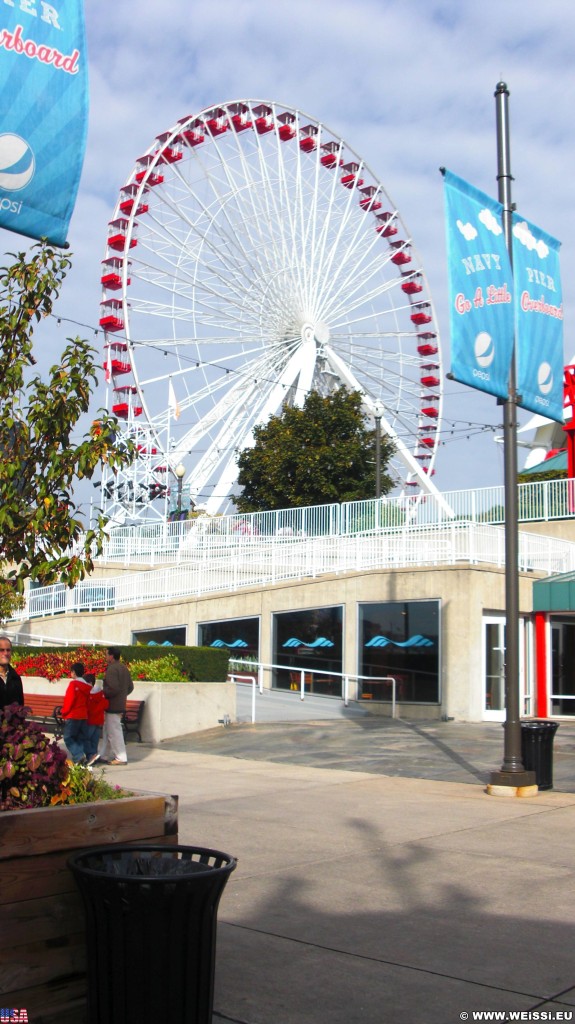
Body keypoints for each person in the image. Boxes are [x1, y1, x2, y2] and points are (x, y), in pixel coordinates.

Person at [99, 646, 133, 765]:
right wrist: (122, 696)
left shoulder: (112, 669)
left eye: (107, 654)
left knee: (114, 732)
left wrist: (104, 693)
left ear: (112, 656)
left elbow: (113, 688)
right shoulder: (124, 668)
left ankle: (121, 757)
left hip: (112, 705)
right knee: (108, 731)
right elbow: (130, 687)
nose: (106, 656)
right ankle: (104, 755)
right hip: (119, 704)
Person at [60, 662, 91, 764]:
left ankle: (78, 755)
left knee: (68, 738)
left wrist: (64, 712)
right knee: (79, 738)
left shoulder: (73, 684)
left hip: (73, 715)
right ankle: (82, 758)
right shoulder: (87, 686)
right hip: (84, 715)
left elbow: (69, 700)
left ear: (73, 672)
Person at [85, 673, 108, 766]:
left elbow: (87, 708)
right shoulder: (101, 693)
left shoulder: (88, 694)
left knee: (86, 739)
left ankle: (91, 756)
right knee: (95, 740)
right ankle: (94, 755)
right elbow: (105, 704)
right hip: (99, 720)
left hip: (90, 720)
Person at [0, 635, 24, 713]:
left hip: (11, 724)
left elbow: (20, 706)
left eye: (8, 650)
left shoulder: (16, 678)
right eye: (1, 650)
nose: (5, 653)